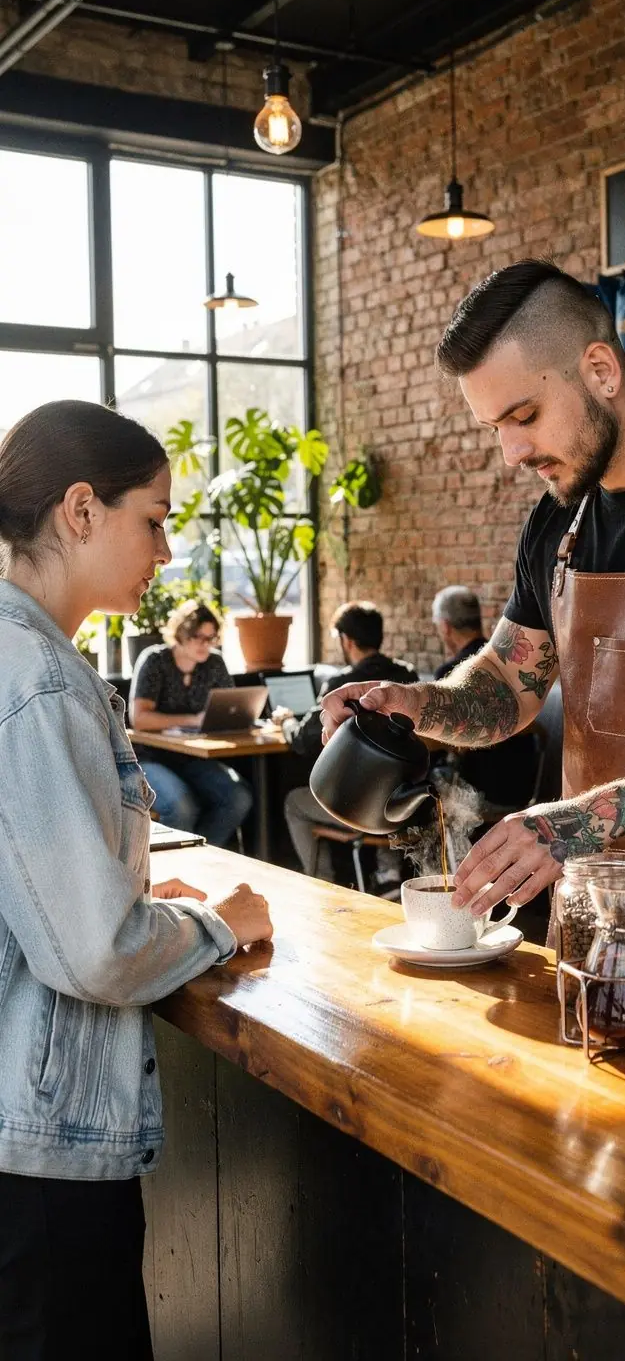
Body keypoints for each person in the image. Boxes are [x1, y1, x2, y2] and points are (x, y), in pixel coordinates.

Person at [322, 258, 625, 929]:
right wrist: (414, 706)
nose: (512, 452)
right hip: (594, 909)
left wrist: (584, 819)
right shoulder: (558, 522)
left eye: (524, 415)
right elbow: (506, 687)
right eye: (495, 426)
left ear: (601, 372)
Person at [0, 400, 272, 1360]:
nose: (163, 550)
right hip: (39, 1165)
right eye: (152, 519)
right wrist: (221, 927)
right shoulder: (34, 679)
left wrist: (143, 907)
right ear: (81, 510)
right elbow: (97, 953)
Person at [284, 602, 418, 881]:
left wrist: (284, 721)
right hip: (405, 804)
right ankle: (388, 871)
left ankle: (322, 883)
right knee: (386, 780)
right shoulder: (407, 676)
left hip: (362, 809)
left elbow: (303, 739)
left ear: (348, 640)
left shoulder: (344, 684)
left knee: (294, 803)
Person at [129, 600, 253, 846]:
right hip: (152, 758)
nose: (205, 644)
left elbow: (231, 707)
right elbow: (139, 719)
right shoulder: (155, 661)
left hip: (195, 758)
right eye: (199, 637)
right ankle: (176, 871)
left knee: (238, 797)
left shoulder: (215, 664)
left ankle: (204, 855)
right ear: (182, 634)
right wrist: (194, 719)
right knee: (182, 806)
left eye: (211, 638)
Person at [431, 585, 537, 812]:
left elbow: (444, 744)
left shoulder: (451, 673)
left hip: (480, 796)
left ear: (445, 627)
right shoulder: (509, 664)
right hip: (525, 789)